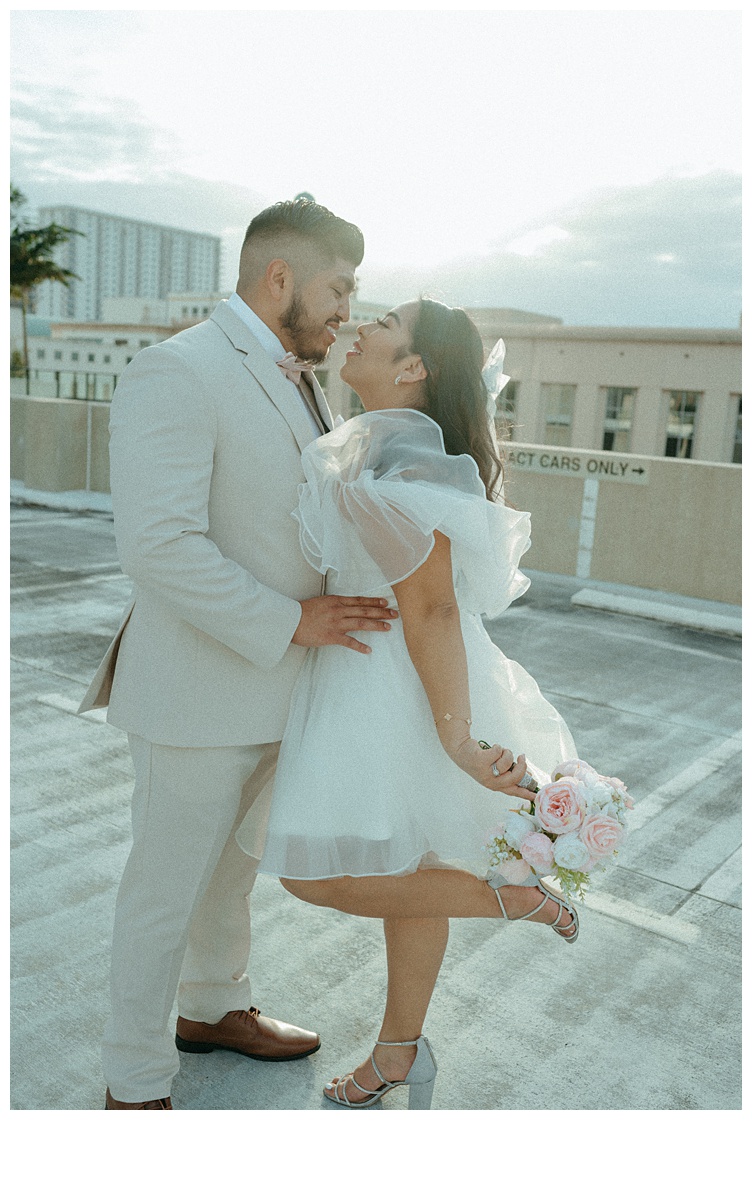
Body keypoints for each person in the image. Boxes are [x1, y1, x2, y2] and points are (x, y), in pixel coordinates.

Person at [78, 199, 400, 1110]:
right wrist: (293, 623)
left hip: (281, 692)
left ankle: (214, 1009)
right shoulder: (176, 371)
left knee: (231, 875)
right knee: (164, 892)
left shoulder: (304, 377)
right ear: (281, 278)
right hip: (196, 692)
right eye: (340, 287)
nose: (346, 309)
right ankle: (133, 1082)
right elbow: (159, 545)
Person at [236, 298, 581, 1110]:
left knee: (312, 877)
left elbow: (431, 608)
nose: (360, 325)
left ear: (414, 367)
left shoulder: (404, 459)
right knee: (414, 868)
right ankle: (400, 1054)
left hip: (398, 681)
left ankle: (515, 897)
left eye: (383, 322)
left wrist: (457, 739)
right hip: (374, 671)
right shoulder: (388, 444)